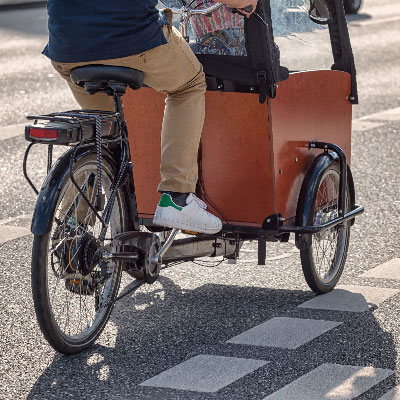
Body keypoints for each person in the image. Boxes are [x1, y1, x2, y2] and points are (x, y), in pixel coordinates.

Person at [44, 0, 257, 234]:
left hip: (66, 47)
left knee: (102, 128)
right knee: (189, 85)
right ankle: (177, 198)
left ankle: (72, 227)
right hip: (131, 39)